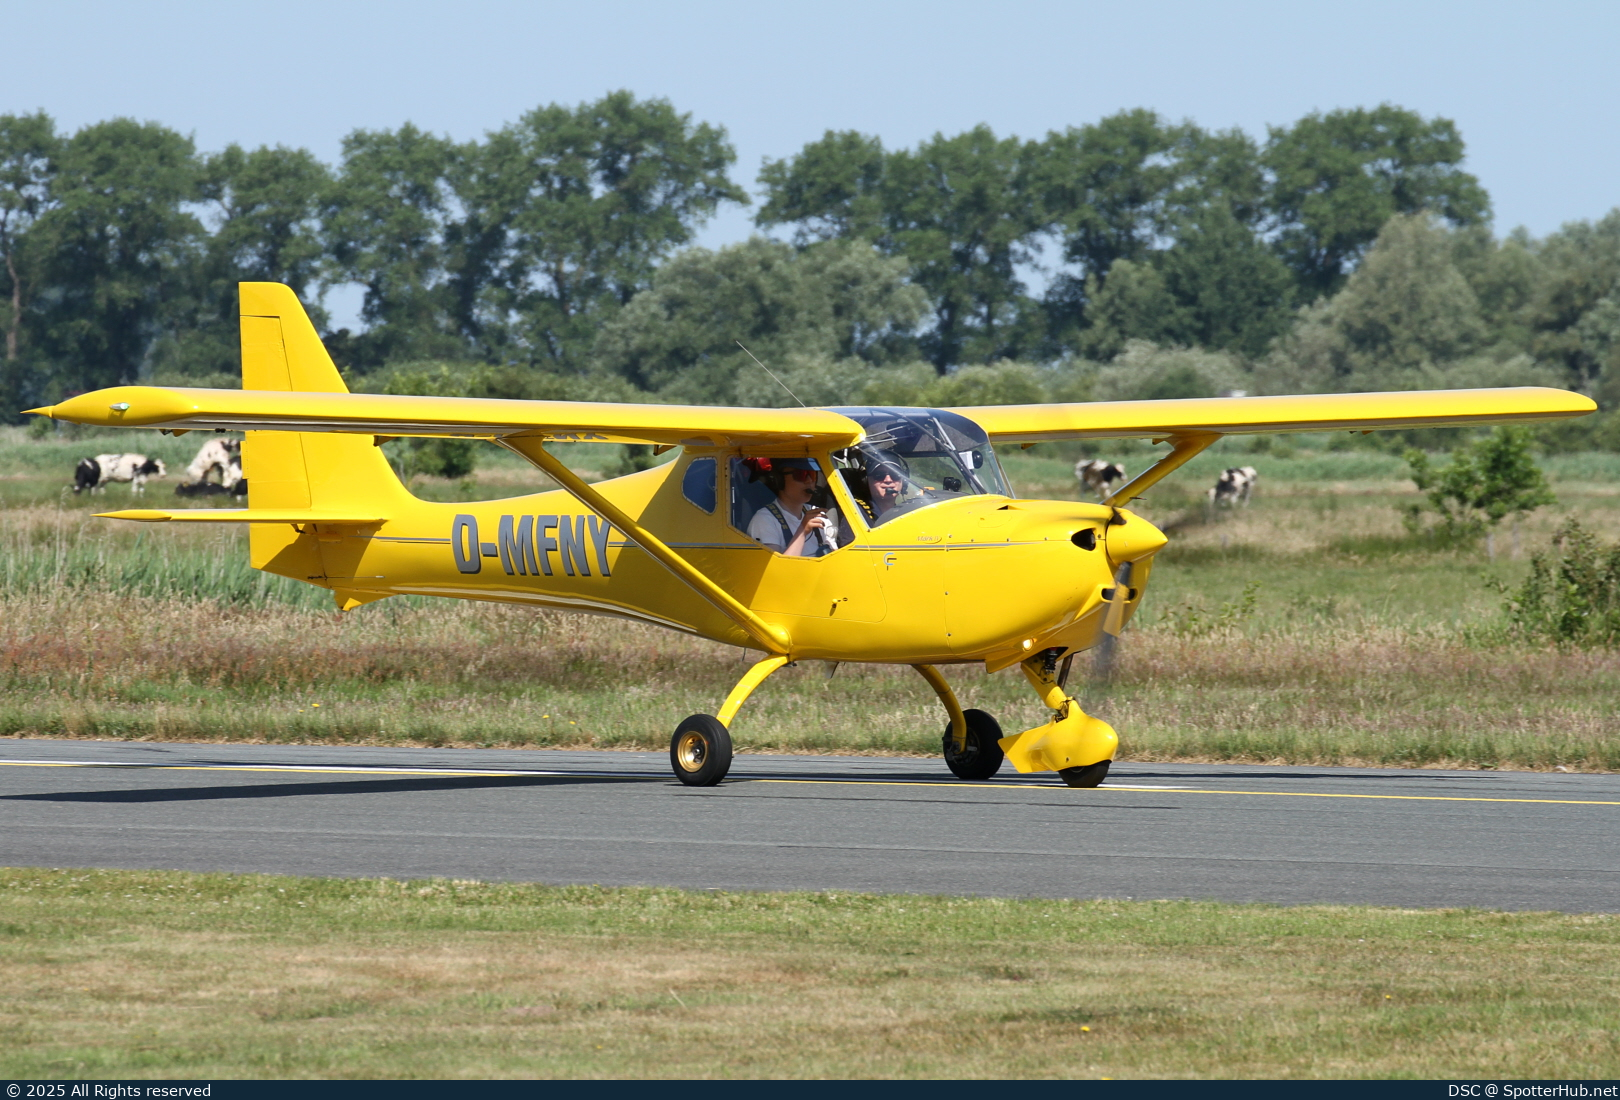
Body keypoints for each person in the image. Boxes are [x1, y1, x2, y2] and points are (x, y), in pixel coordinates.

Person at [745, 458, 839, 556]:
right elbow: (775, 568)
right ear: (779, 480)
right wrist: (802, 531)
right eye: (801, 475)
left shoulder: (817, 515)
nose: (809, 481)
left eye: (812, 475)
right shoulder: (764, 520)